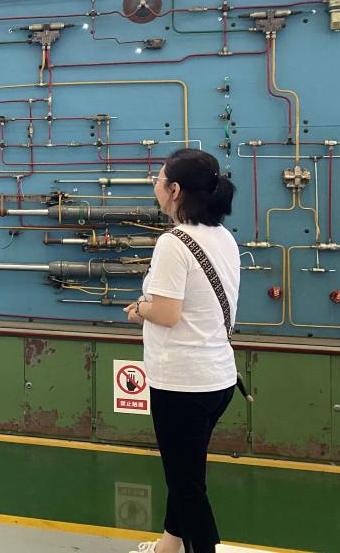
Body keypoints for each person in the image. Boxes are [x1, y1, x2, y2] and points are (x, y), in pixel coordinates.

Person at [124, 148, 239, 553]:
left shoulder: (173, 242)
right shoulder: (222, 236)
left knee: (186, 484)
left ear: (174, 190)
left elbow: (167, 313)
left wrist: (140, 309)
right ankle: (168, 547)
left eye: (158, 179)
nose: (154, 185)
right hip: (218, 379)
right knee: (186, 473)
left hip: (182, 385)